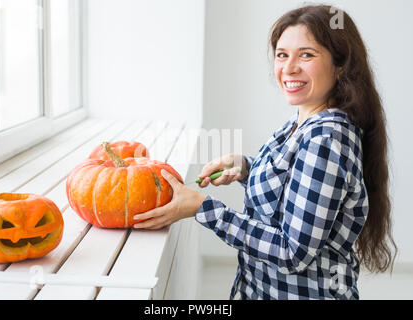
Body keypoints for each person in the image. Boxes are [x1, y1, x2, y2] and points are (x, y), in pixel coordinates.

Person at [132, 4, 397, 300]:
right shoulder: (302, 124)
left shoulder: (327, 140)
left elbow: (292, 254)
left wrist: (202, 208)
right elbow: (294, 188)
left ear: (340, 64)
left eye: (306, 54)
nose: (289, 67)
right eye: (282, 54)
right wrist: (245, 167)